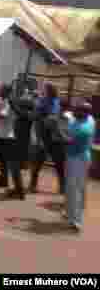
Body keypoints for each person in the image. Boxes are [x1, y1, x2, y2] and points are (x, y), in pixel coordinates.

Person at [64, 100, 95, 233]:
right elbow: (70, 116)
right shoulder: (89, 119)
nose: (74, 111)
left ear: (83, 113)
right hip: (81, 157)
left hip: (77, 159)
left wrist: (57, 130)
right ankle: (72, 211)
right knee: (79, 187)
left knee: (73, 188)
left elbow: (67, 139)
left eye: (77, 110)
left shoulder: (83, 128)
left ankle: (76, 220)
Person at [30, 83, 65, 194]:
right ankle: (33, 185)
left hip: (52, 137)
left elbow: (52, 119)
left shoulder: (54, 101)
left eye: (49, 89)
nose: (48, 91)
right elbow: (39, 118)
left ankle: (62, 186)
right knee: (39, 162)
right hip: (46, 136)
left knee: (58, 163)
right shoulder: (43, 101)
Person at [0, 84, 18, 190]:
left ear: (6, 91)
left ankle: (6, 181)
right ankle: (3, 179)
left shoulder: (8, 102)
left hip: (6, 135)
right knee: (0, 159)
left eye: (2, 90)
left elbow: (3, 115)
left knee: (5, 160)